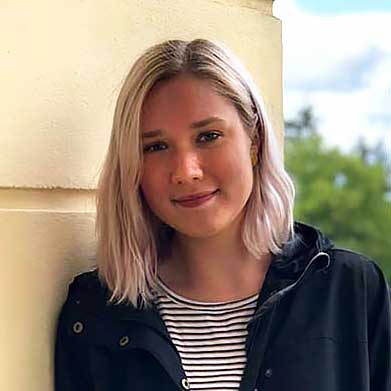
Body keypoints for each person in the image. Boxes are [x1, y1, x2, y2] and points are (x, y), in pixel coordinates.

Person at [54, 39, 391, 391]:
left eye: (208, 136)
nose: (186, 171)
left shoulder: (350, 289)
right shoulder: (93, 314)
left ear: (254, 141)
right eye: (155, 147)